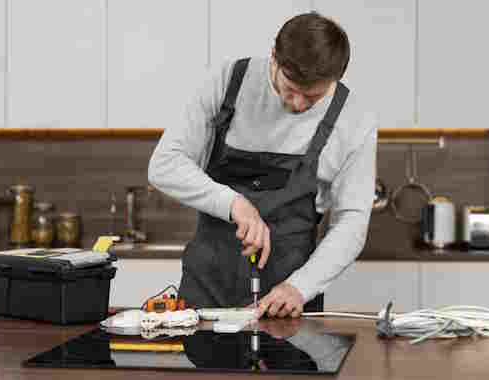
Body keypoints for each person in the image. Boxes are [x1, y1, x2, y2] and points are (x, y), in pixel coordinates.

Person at [148, 12, 377, 319]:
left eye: (313, 97)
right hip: (205, 290)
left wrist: (301, 286)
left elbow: (352, 222)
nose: (297, 104)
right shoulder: (229, 81)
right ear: (274, 56)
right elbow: (164, 164)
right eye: (291, 88)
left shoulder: (354, 119)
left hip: (287, 302)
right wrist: (235, 203)